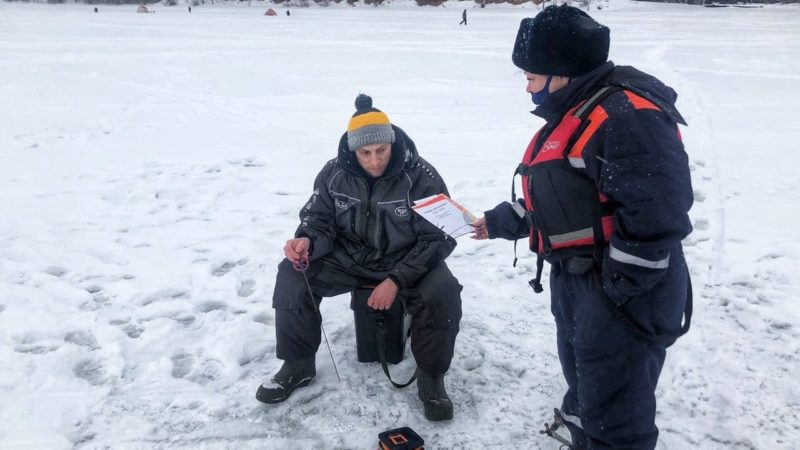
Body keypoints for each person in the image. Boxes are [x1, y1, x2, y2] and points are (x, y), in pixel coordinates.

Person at [472, 6, 693, 449]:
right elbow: (570, 199)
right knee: (585, 376)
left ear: (563, 72)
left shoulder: (626, 115)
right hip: (580, 282)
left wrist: (617, 289)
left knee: (618, 415)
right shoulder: (577, 111)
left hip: (620, 294)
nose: (527, 84)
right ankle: (583, 426)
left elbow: (658, 212)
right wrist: (499, 222)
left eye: (532, 74)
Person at [256, 94, 463, 422]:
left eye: (381, 150)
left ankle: (431, 378)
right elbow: (318, 220)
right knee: (294, 274)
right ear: (353, 150)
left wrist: (396, 279)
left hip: (405, 261)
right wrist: (306, 240)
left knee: (442, 292)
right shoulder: (333, 173)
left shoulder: (421, 175)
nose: (375, 160)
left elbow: (440, 235)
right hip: (348, 259)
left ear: (392, 143)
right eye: (365, 152)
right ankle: (297, 365)